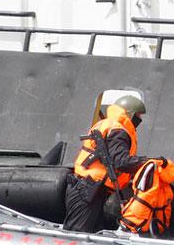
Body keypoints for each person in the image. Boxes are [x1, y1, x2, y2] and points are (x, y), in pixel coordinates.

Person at [64, 95, 154, 232]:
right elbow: (121, 162)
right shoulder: (118, 131)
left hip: (92, 189)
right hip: (88, 191)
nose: (140, 120)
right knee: (78, 232)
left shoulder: (109, 125)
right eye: (138, 116)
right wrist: (149, 162)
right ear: (129, 114)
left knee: (94, 231)